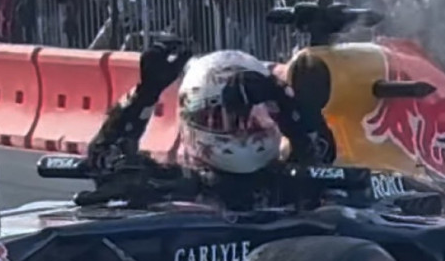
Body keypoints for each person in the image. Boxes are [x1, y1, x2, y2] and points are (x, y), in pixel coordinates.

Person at [86, 43, 336, 210]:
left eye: (253, 118)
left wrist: (280, 94)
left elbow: (319, 153)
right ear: (193, 119)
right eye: (221, 119)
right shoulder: (171, 186)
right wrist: (144, 94)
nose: (241, 131)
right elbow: (105, 161)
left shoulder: (290, 184)